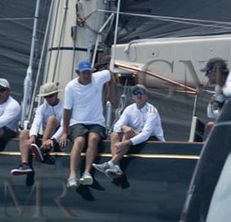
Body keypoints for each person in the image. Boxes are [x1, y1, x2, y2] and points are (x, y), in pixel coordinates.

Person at [63, 59, 112, 188]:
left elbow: (110, 74)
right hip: (77, 122)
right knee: (79, 141)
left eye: (89, 72)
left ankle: (86, 173)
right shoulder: (70, 87)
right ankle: (72, 175)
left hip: (96, 121)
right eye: (84, 73)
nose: (87, 75)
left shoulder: (98, 78)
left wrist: (110, 92)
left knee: (94, 138)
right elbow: (67, 111)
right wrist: (64, 132)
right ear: (78, 73)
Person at [103, 87, 165, 176]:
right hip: (136, 138)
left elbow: (146, 135)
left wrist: (124, 143)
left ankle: (110, 163)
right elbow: (116, 127)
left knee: (127, 134)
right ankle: (116, 166)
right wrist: (124, 127)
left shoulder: (152, 111)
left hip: (153, 140)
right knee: (114, 134)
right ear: (132, 96)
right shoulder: (129, 109)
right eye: (136, 93)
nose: (138, 95)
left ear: (146, 96)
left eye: (142, 93)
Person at [11, 82, 65, 176]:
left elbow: (64, 126)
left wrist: (53, 139)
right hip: (46, 136)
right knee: (24, 132)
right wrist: (32, 136)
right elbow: (36, 123)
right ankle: (25, 164)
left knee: (52, 119)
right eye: (46, 97)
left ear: (56, 94)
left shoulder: (64, 107)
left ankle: (42, 149)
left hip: (56, 138)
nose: (48, 99)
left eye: (50, 96)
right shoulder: (42, 108)